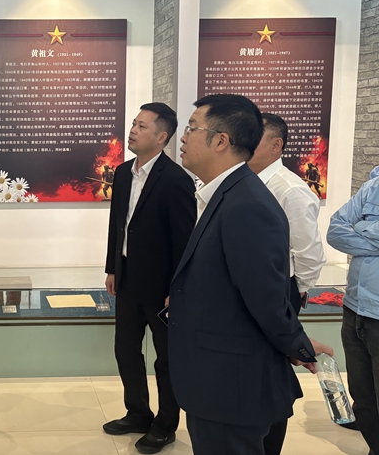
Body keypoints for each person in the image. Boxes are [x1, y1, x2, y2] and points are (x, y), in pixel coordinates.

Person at [169, 94, 317, 455]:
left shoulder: (247, 204)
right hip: (216, 375)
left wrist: (297, 345)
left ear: (221, 141)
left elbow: (266, 298)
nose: (183, 137)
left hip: (231, 384)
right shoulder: (226, 194)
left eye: (191, 128)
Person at [103, 102, 196, 454]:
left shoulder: (175, 180)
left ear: (161, 137)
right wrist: (112, 267)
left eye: (142, 126)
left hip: (162, 288)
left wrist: (178, 289)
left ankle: (165, 424)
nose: (132, 130)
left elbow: (185, 241)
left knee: (166, 359)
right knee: (125, 350)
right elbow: (118, 225)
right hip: (128, 279)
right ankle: (138, 413)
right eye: (133, 124)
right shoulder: (123, 172)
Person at [248, 113, 328, 453]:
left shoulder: (290, 189)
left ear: (276, 145)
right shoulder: (243, 182)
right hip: (254, 293)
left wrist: (292, 295)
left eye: (254, 137)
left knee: (271, 374)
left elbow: (308, 254)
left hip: (280, 293)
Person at [327, 175, 379, 455]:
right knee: (362, 398)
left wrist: (360, 227)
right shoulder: (373, 185)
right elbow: (335, 230)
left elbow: (348, 228)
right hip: (354, 308)